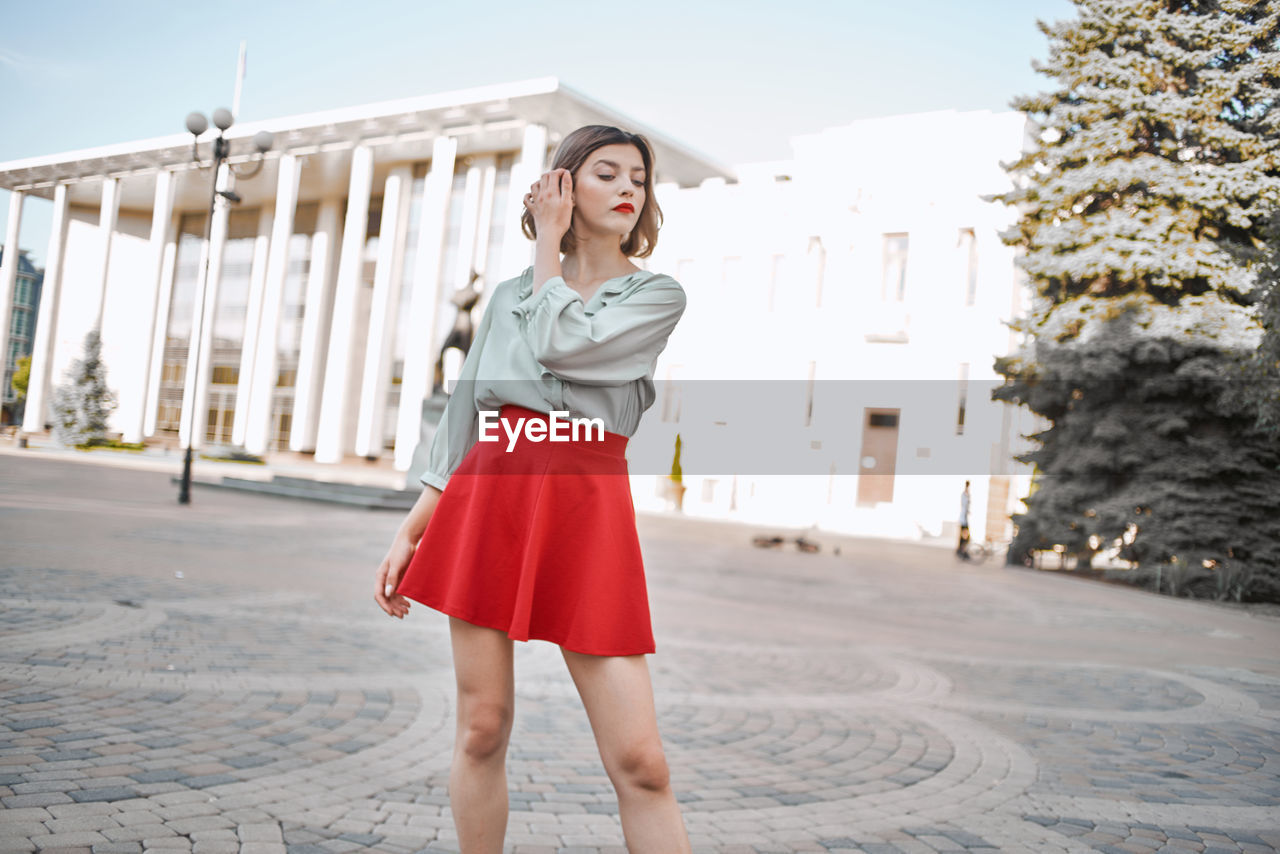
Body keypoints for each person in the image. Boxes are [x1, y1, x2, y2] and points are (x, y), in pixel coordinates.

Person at [374, 125, 693, 854]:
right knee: (482, 727)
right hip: (492, 494)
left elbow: (563, 343)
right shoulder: (508, 297)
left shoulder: (655, 295)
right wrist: (414, 528)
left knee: (642, 762)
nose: (626, 189)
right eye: (606, 173)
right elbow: (465, 417)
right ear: (562, 185)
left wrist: (545, 247)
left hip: (588, 504)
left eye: (637, 180)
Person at [956, 480, 972, 560]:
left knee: (964, 537)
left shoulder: (966, 494)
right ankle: (962, 551)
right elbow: (965, 506)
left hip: (964, 519)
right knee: (965, 538)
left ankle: (961, 551)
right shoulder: (965, 495)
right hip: (963, 520)